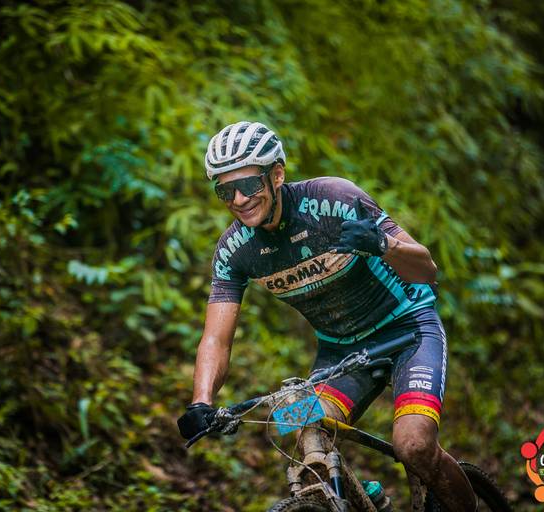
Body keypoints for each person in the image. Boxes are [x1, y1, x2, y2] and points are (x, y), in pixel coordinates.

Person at [178, 121, 476, 511]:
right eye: (224, 190)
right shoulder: (235, 250)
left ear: (277, 175)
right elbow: (217, 338)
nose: (238, 199)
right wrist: (201, 402)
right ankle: (358, 499)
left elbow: (427, 270)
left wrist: (382, 244)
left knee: (414, 445)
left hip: (407, 330)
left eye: (248, 185)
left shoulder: (334, 200)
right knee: (297, 425)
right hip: (341, 352)